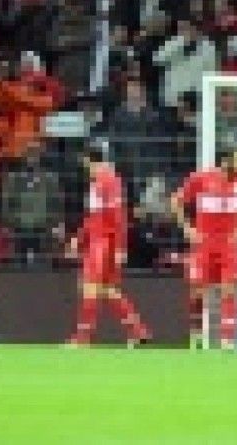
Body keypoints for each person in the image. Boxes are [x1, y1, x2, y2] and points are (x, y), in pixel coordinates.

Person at [171, 150, 237, 351]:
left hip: (230, 245)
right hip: (204, 244)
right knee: (197, 291)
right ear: (226, 162)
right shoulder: (200, 179)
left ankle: (227, 341)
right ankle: (196, 335)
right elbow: (175, 201)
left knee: (229, 289)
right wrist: (187, 228)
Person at [67, 140, 150, 347]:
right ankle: (138, 331)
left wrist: (120, 247)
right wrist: (79, 237)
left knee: (91, 287)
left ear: (87, 160)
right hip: (100, 241)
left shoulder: (109, 181)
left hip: (103, 243)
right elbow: (94, 216)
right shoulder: (99, 182)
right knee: (107, 289)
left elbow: (118, 216)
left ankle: (82, 338)